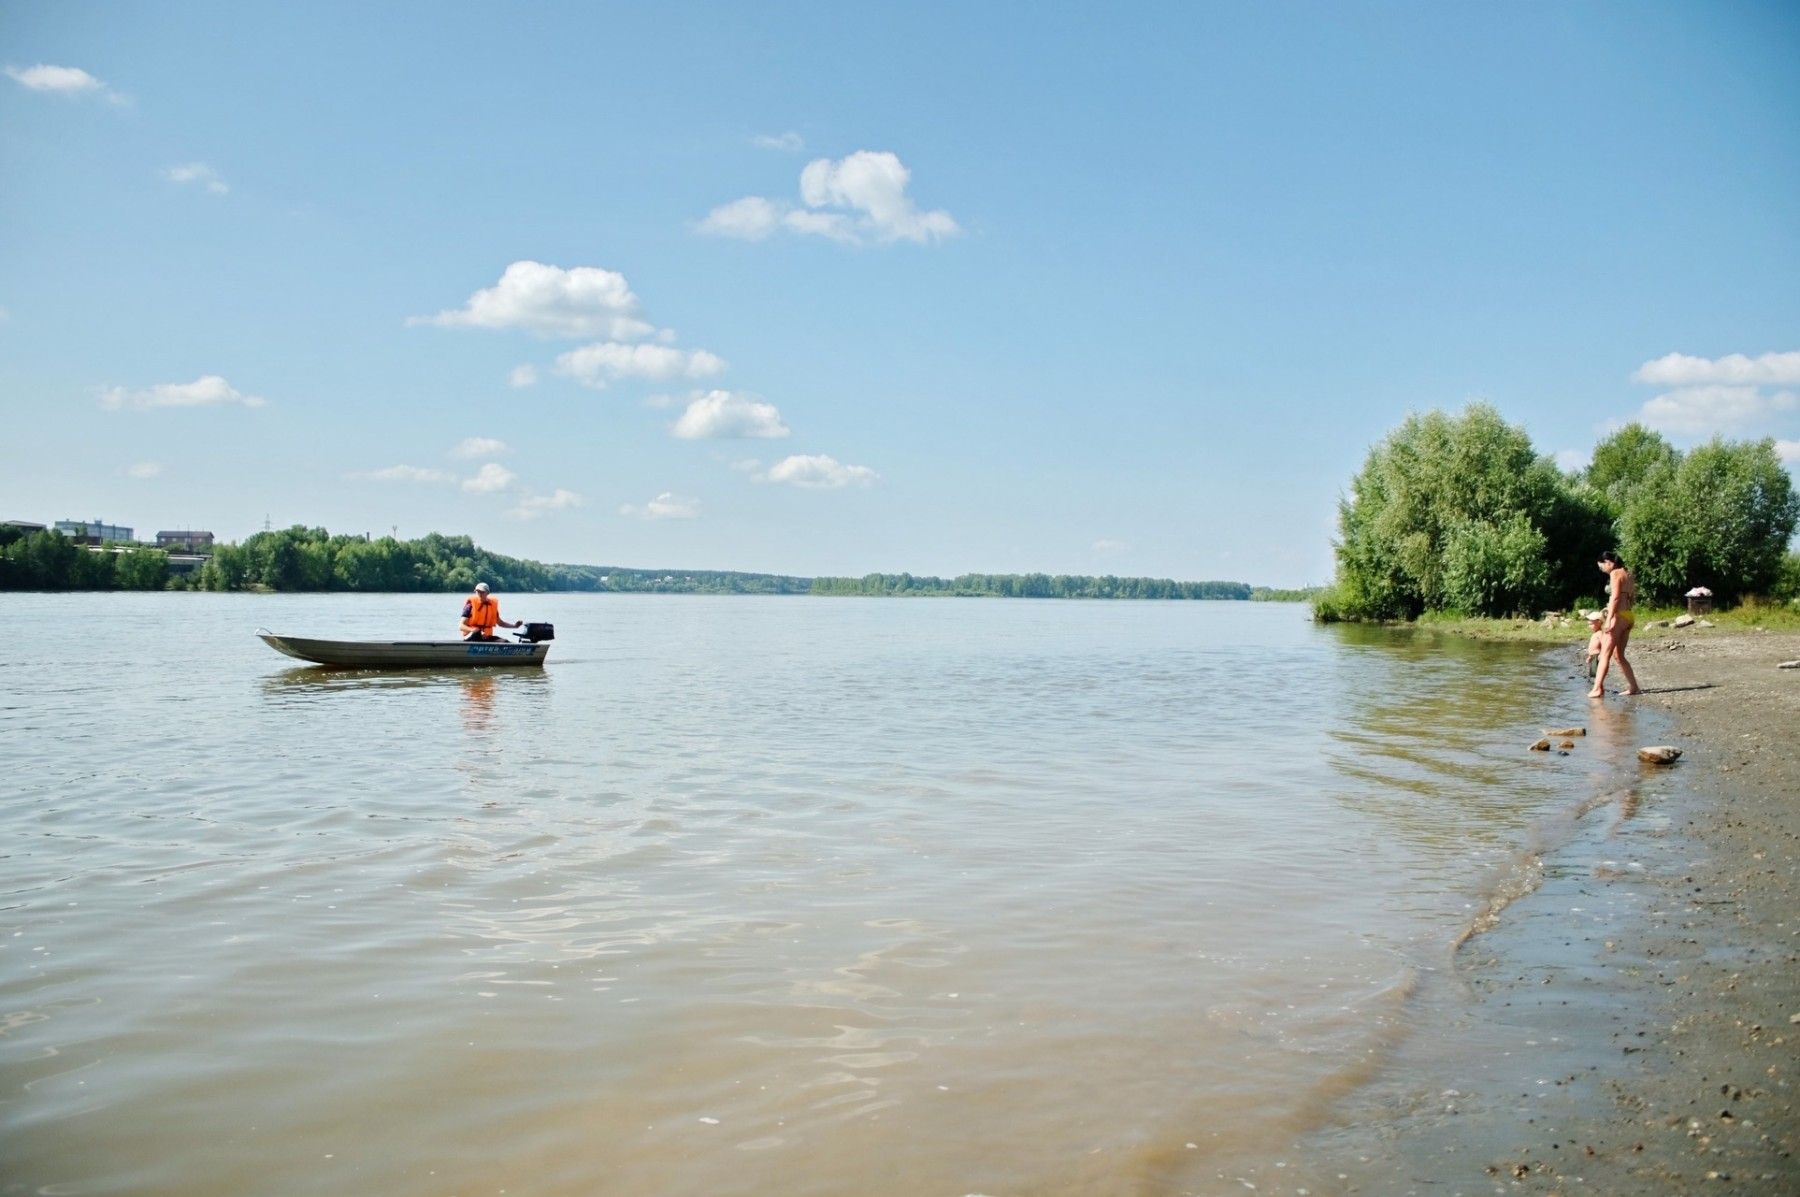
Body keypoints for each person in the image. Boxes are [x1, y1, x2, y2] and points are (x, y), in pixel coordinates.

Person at [1589, 550, 1642, 698]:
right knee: (1618, 655)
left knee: (1605, 654)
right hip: (1628, 616)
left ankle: (1597, 688)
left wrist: (1609, 619)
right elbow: (1632, 597)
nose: (1602, 570)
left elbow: (1616, 597)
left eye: (1601, 567)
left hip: (1618, 616)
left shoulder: (1615, 573)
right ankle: (1634, 687)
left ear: (1609, 563)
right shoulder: (1628, 574)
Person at [1582, 609, 1606, 681]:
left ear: (1599, 622)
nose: (1589, 626)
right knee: (1593, 673)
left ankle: (1597, 685)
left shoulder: (1600, 633)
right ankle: (1595, 685)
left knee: (1596, 673)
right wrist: (1589, 657)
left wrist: (1602, 654)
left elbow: (1604, 644)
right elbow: (1592, 648)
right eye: (1588, 624)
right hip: (1593, 656)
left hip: (1596, 656)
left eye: (1591, 624)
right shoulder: (1595, 634)